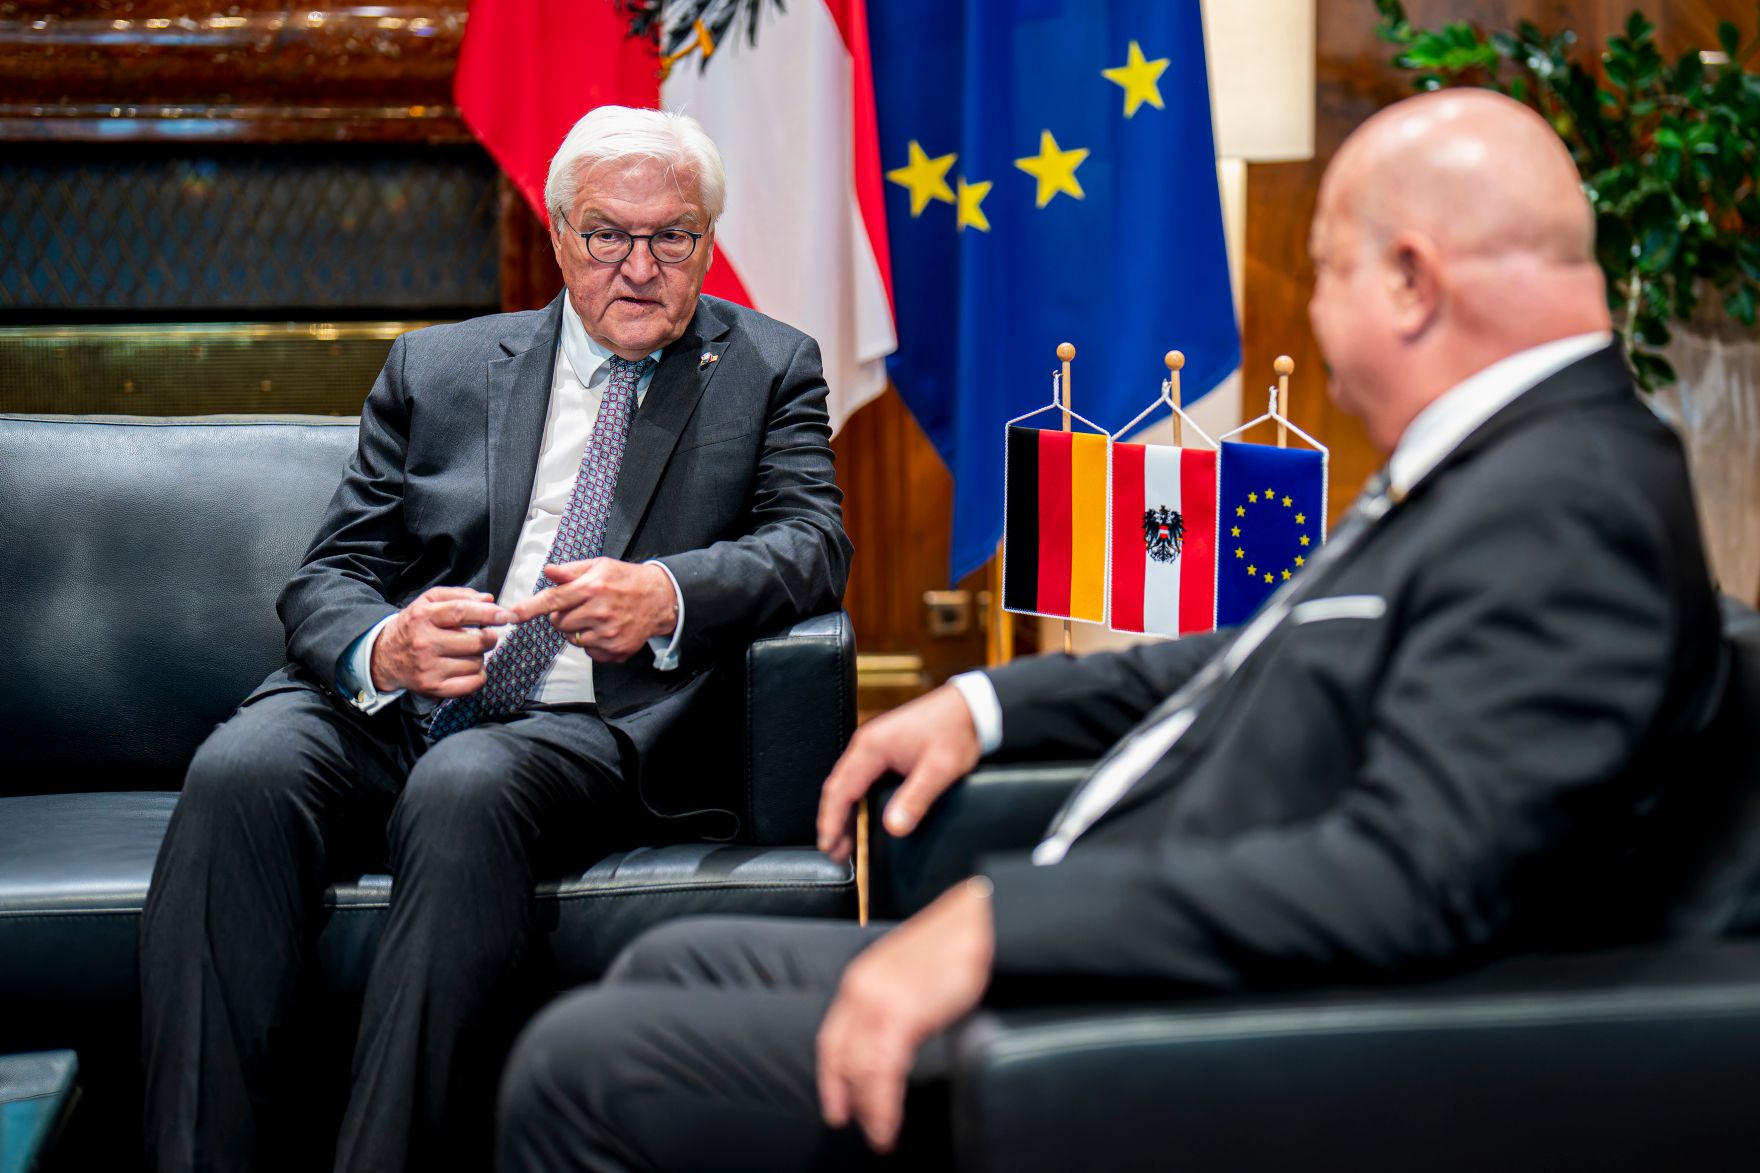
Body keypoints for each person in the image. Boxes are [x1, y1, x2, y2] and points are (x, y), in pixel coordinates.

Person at [493, 89, 1724, 1171]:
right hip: (1142, 951)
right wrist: (984, 703)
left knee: (584, 1062)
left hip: (1198, 1030)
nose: (1319, 327)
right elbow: (1260, 654)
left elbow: (1419, 878)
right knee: (677, 964)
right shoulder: (1503, 467)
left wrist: (1004, 923)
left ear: (1410, 282)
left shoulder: (1565, 502)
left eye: (1325, 271)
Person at [138, 106, 851, 1173]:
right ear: (560, 233)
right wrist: (385, 648)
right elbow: (331, 573)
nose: (641, 265)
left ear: (707, 241)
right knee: (241, 767)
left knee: (466, 781)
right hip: (397, 700)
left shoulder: (766, 368)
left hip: (583, 718)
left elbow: (812, 542)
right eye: (609, 233)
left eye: (674, 237)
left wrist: (666, 592)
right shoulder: (442, 367)